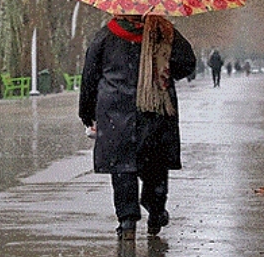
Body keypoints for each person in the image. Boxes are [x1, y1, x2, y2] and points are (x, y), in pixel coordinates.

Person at [79, 14, 197, 241]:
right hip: (154, 111)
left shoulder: (106, 35)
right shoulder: (164, 32)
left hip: (115, 111)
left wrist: (87, 112)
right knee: (155, 164)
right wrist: (161, 69)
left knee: (122, 166)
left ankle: (127, 220)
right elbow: (187, 64)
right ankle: (156, 210)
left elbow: (90, 76)